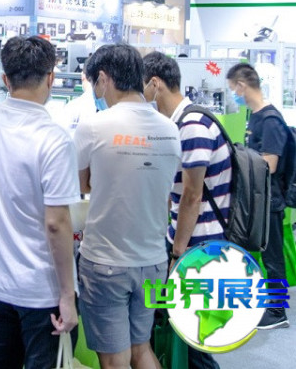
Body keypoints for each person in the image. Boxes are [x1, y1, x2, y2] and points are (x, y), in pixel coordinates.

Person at [0, 36, 79, 368]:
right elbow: (56, 223)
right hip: (40, 289)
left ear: (5, 79)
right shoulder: (55, 139)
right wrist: (68, 296)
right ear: (51, 78)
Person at [74, 44, 181, 369]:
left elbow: (81, 184)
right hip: (153, 261)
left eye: (95, 84)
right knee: (141, 349)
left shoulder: (95, 126)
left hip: (106, 261)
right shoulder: (170, 129)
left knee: (114, 360)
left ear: (104, 78)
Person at [143, 52, 231, 369]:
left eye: (142, 87)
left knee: (193, 337)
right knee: (183, 331)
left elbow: (192, 196)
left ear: (155, 84)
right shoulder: (180, 123)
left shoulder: (193, 126)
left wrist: (177, 252)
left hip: (200, 246)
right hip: (192, 241)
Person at [227, 62, 290, 330]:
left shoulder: (271, 120)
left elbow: (270, 164)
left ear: (242, 86)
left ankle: (278, 310)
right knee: (257, 254)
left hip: (270, 201)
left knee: (273, 257)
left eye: (233, 89)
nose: (234, 95)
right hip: (257, 199)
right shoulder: (254, 116)